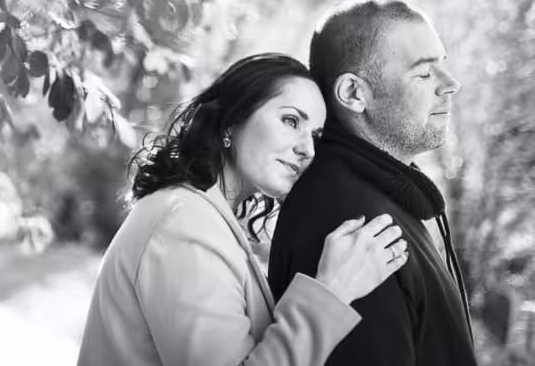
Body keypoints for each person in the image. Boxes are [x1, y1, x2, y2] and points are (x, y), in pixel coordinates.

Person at [77, 53, 409, 366]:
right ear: (232, 122)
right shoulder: (184, 225)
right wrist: (333, 291)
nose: (306, 148)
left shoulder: (202, 218)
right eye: (291, 120)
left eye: (316, 137)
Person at [267, 0, 476, 366]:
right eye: (425, 73)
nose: (451, 84)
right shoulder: (350, 224)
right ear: (353, 94)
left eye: (442, 66)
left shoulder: (382, 194)